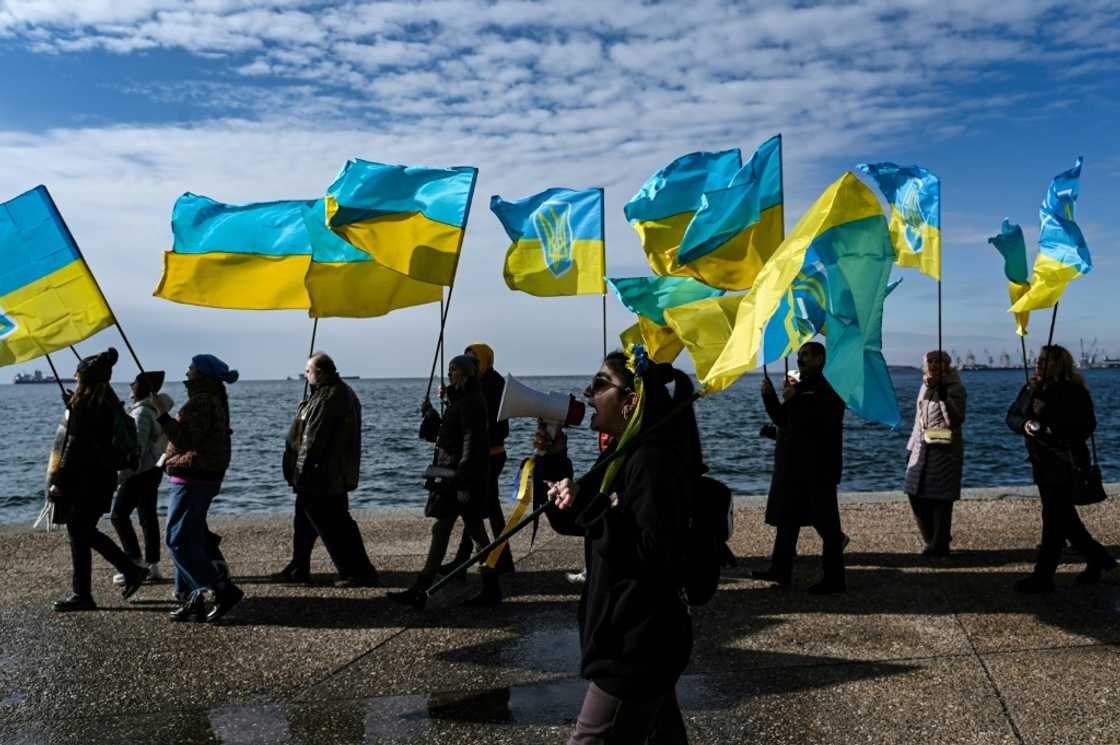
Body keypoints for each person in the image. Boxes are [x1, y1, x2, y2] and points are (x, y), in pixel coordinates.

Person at [546, 348, 698, 744]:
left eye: (599, 384)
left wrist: (591, 506)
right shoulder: (621, 456)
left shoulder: (652, 462)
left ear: (631, 402)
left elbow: (653, 553)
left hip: (636, 642)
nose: (587, 391)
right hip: (635, 632)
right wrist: (553, 460)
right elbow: (572, 521)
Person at [1006, 344, 1117, 593]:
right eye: (1039, 358)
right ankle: (1099, 560)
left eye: (1046, 360)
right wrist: (1025, 423)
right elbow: (1011, 416)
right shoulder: (1032, 387)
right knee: (1065, 519)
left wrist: (1049, 417)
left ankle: (1043, 577)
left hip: (1066, 462)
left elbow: (1085, 426)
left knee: (1054, 519)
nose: (1039, 363)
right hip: (1041, 462)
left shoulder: (1074, 391)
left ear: (1059, 364)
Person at [388, 355, 495, 608]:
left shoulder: (470, 403)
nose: (449, 374)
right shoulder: (462, 401)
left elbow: (471, 443)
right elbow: (447, 436)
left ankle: (425, 589)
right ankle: (425, 588)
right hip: (457, 477)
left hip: (460, 479)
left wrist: (463, 480)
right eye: (449, 369)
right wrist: (432, 414)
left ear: (466, 374)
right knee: (455, 531)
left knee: (467, 532)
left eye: (454, 370)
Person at [48, 348, 149, 611]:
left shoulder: (85, 406)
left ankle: (124, 572)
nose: (74, 375)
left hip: (84, 481)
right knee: (81, 533)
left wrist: (58, 479)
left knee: (79, 531)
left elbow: (75, 446)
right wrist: (73, 407)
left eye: (78, 372)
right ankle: (84, 592)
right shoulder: (107, 402)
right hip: (103, 479)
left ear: (86, 378)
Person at [274, 352, 380, 588]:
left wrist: (300, 474)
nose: (306, 376)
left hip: (322, 476)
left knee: (332, 526)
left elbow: (314, 440)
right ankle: (298, 567)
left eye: (308, 372)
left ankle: (356, 571)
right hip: (329, 473)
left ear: (319, 372)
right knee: (304, 522)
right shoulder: (329, 393)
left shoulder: (330, 396)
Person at [154, 354, 245, 622]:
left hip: (194, 477)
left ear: (203, 374)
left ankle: (222, 589)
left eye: (192, 368)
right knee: (190, 538)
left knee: (178, 539)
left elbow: (184, 439)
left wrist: (162, 416)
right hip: (200, 476)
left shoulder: (202, 401)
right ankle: (190, 598)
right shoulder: (212, 397)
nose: (187, 371)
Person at [753, 341, 848, 594]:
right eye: (798, 355)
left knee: (828, 526)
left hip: (819, 467)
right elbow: (784, 421)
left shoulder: (829, 386)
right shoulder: (801, 385)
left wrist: (795, 401)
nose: (799, 360)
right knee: (788, 518)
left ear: (819, 358)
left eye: (805, 355)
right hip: (795, 466)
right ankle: (780, 569)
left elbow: (822, 419)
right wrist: (769, 396)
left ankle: (835, 579)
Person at [442, 342, 514, 580]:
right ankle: (489, 560)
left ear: (486, 361)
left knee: (479, 510)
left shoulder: (492, 385)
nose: (471, 364)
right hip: (485, 455)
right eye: (468, 359)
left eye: (475, 359)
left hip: (490, 455)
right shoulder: (480, 384)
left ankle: (489, 561)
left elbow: (480, 422)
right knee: (480, 510)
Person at [110, 371, 172, 584]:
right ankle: (153, 565)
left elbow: (136, 450)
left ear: (143, 388)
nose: (130, 385)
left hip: (140, 472)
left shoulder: (141, 414)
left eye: (134, 382)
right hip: (154, 469)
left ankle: (134, 562)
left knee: (118, 516)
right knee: (148, 517)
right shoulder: (157, 409)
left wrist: (119, 477)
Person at [904, 351, 966, 557]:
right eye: (929, 361)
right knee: (914, 495)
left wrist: (943, 398)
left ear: (947, 365)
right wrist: (910, 447)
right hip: (921, 450)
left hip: (944, 450)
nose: (933, 364)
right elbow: (917, 421)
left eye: (938, 361)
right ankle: (934, 539)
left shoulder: (955, 388)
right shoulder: (924, 386)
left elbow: (955, 421)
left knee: (941, 500)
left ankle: (938, 544)